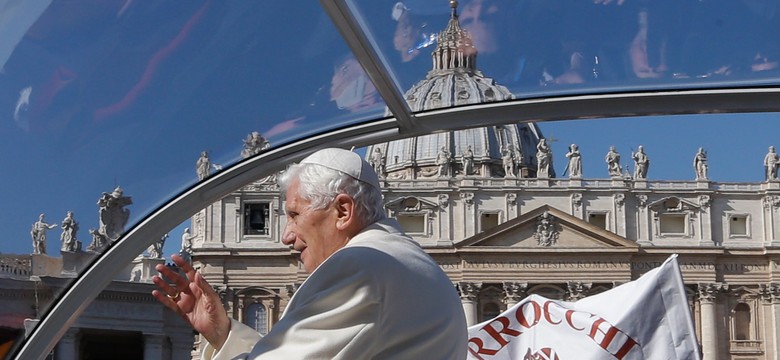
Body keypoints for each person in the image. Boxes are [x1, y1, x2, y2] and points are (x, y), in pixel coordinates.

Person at [152, 148, 467, 359]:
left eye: (294, 215)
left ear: (343, 211)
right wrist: (223, 332)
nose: (287, 236)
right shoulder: (409, 262)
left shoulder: (361, 266)